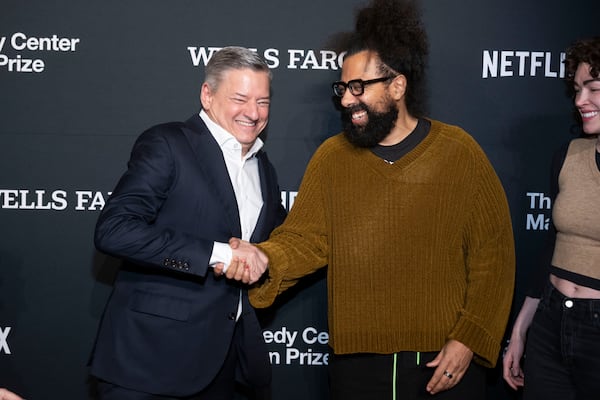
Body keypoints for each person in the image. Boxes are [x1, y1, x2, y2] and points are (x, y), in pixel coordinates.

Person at [221, 0, 515, 398]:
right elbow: (306, 240)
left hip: (443, 363)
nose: (345, 99)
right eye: (342, 88)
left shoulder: (459, 152)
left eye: (359, 87)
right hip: (355, 368)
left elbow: (493, 255)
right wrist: (265, 258)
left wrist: (469, 338)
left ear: (397, 85)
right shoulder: (332, 157)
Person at [89, 46, 286, 400]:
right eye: (240, 98)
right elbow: (115, 229)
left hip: (226, 367)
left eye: (263, 102)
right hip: (148, 363)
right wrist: (217, 254)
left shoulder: (264, 169)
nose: (253, 113)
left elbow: (274, 244)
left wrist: (264, 255)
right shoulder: (168, 143)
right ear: (207, 95)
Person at [502, 36, 600, 399]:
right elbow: (551, 247)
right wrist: (521, 329)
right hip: (550, 321)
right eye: (576, 89)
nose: (580, 101)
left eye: (593, 88)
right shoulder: (568, 156)